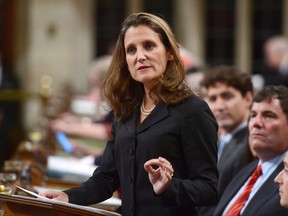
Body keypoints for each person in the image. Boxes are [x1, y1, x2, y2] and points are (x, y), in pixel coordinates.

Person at [40, 12, 219, 215]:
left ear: (169, 52)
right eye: (131, 50)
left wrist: (169, 187)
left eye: (149, 46)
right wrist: (69, 196)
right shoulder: (126, 110)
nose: (140, 56)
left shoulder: (192, 110)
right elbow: (107, 177)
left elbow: (209, 189)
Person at [214, 85, 288, 216]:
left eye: (268, 115)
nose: (256, 123)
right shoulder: (245, 172)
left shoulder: (285, 178)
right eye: (253, 115)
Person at [197, 65, 256, 215]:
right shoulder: (214, 141)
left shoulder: (254, 143)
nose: (219, 106)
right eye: (212, 98)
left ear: (248, 98)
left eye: (227, 96)